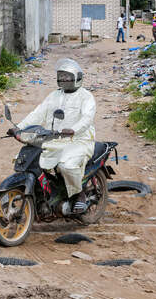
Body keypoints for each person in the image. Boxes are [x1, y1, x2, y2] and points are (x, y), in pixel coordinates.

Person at [10, 58, 96, 215]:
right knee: (28, 160)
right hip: (54, 139)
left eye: (68, 77)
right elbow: (37, 113)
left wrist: (73, 130)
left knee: (66, 165)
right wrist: (19, 128)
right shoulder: (54, 96)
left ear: (77, 77)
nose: (64, 80)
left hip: (79, 140)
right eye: (61, 76)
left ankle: (79, 195)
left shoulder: (86, 96)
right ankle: (44, 194)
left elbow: (87, 119)